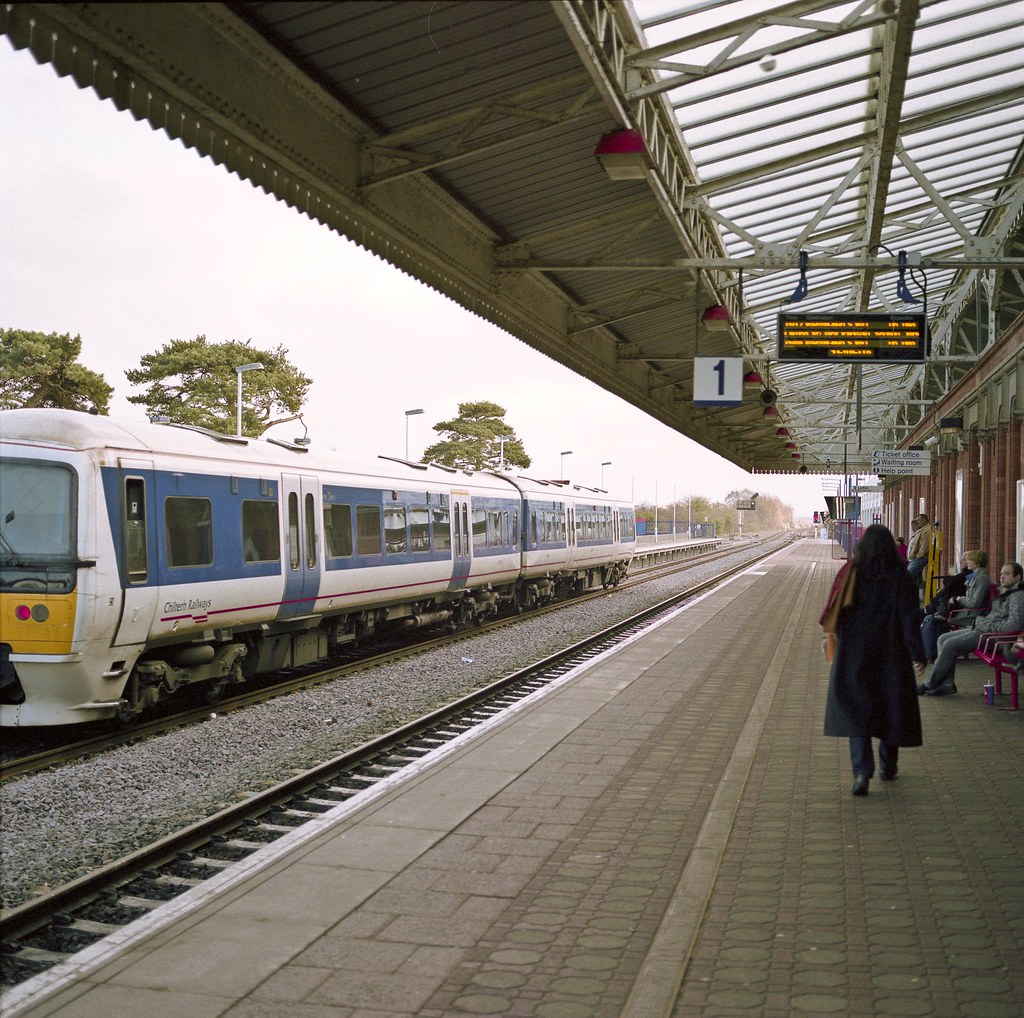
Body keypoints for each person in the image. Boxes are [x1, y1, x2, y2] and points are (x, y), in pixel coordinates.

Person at [821, 525, 926, 797]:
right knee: (891, 708)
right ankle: (888, 767)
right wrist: (918, 653)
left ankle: (861, 774)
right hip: (892, 654)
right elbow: (909, 619)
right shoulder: (900, 576)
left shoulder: (851, 572)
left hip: (854, 654)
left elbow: (837, 610)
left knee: (858, 713)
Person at [918, 561, 1024, 696]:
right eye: (1001, 573)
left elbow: (1013, 625)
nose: (1002, 577)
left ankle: (929, 684)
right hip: (984, 631)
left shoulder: (1018, 597)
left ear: (1018, 577)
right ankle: (947, 683)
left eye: (1007, 574)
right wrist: (983, 623)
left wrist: (984, 624)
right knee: (942, 638)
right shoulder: (1007, 592)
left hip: (996, 639)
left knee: (950, 645)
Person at [920, 551, 989, 663]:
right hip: (964, 611)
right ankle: (930, 654)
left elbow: (974, 603)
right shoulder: (974, 575)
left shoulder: (980, 578)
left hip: (970, 615)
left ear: (977, 562)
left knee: (933, 618)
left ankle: (932, 655)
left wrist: (958, 598)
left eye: (969, 560)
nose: (966, 562)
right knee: (932, 618)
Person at [906, 514, 931, 587]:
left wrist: (919, 555)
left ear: (924, 520)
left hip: (920, 557)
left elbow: (925, 545)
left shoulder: (926, 530)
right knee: (916, 577)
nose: (917, 522)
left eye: (918, 520)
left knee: (908, 574)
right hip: (916, 557)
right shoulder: (923, 529)